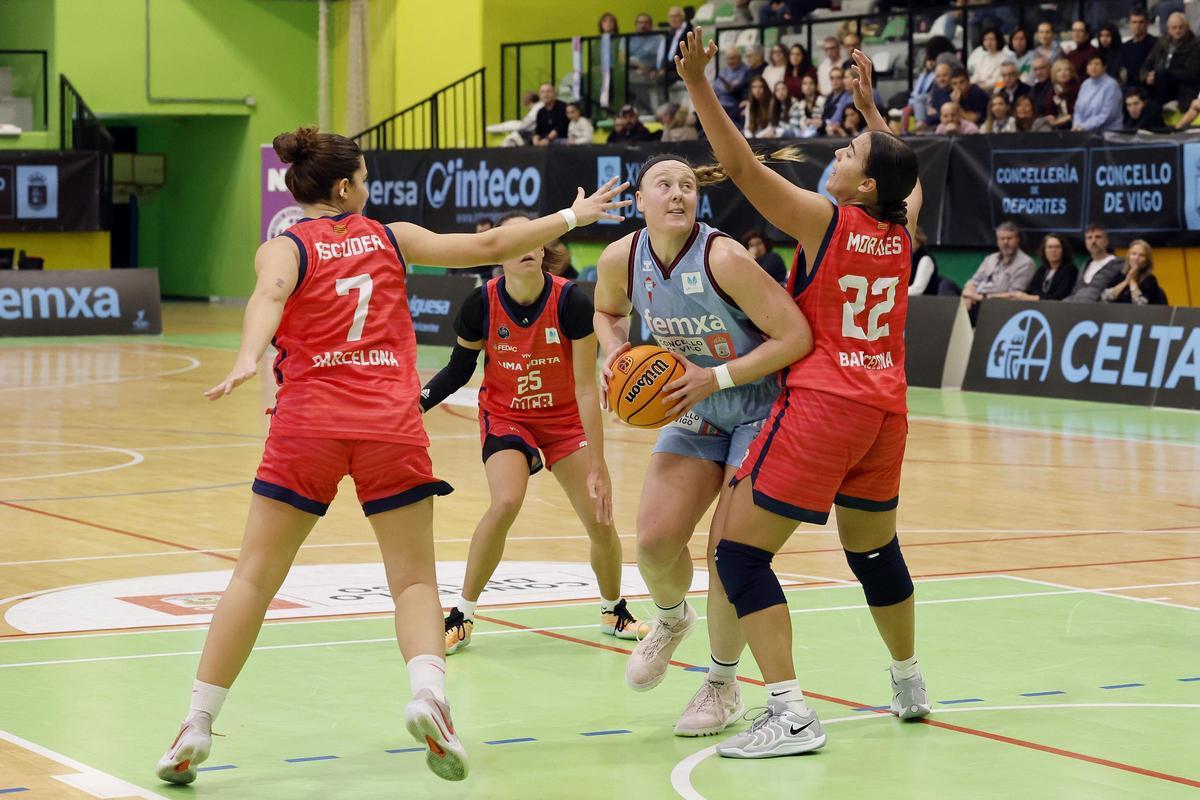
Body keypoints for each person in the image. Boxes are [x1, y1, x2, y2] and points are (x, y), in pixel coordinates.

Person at [153, 127, 629, 786]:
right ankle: (430, 697)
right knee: (412, 581)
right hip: (389, 424)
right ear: (345, 187)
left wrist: (248, 354)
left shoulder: (282, 246)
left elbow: (267, 297)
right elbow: (491, 245)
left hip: (309, 426)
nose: (369, 188)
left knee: (254, 578)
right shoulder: (390, 235)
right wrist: (574, 217)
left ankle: (197, 724)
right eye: (366, 178)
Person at [678, 38, 929, 758]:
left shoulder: (826, 220)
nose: (838, 157)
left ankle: (789, 712)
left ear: (862, 189)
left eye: (850, 154)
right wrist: (878, 119)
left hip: (824, 407)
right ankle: (908, 681)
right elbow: (911, 185)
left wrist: (699, 83)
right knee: (876, 554)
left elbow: (740, 168)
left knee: (736, 555)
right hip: (886, 411)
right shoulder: (902, 232)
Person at [593, 154, 813, 739]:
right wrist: (613, 352)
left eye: (687, 186)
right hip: (691, 409)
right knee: (655, 539)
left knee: (727, 554)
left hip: (756, 410)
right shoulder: (622, 258)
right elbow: (606, 311)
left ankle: (721, 683)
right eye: (663, 185)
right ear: (640, 200)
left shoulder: (725, 259)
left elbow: (796, 336)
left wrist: (715, 377)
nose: (677, 194)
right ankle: (670, 618)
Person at [423, 213, 644, 657]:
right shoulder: (480, 305)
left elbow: (586, 387)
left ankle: (613, 609)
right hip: (507, 417)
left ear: (544, 249)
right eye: (516, 237)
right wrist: (416, 403)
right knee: (506, 500)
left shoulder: (570, 303)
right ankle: (462, 615)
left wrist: (599, 464)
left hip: (564, 420)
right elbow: (457, 371)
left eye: (535, 237)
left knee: (601, 519)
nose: (527, 245)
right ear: (498, 252)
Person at [962, 222, 1036, 322]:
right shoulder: (990, 259)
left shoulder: (1026, 263)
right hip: (976, 301)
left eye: (1009, 238)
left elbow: (1014, 294)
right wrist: (968, 295)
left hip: (998, 306)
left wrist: (982, 297)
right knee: (947, 286)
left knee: (960, 313)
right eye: (1002, 239)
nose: (1005, 242)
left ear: (1017, 240)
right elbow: (974, 281)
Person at [1142, 12, 1200, 108]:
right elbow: (1146, 64)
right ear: (1168, 29)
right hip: (1159, 83)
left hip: (1183, 86)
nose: (1178, 31)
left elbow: (1191, 74)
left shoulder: (1195, 45)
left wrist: (1165, 72)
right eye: (1174, 28)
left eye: (1181, 27)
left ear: (1187, 27)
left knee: (1161, 73)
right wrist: (1146, 76)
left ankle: (1158, 108)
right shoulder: (1161, 43)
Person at [1003, 234, 1078, 302]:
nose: (1053, 250)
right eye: (1049, 247)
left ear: (1063, 250)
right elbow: (1030, 290)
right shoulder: (1042, 270)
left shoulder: (1070, 270)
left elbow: (1060, 296)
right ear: (1044, 251)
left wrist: (1033, 298)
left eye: (1057, 247)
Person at [1065, 223, 1125, 302]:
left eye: (1098, 237)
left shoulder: (1119, 265)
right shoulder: (1085, 265)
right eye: (1089, 238)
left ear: (1106, 241)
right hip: (1075, 307)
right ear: (1086, 242)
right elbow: (1075, 292)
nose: (1093, 241)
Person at [1103, 239, 1168, 305]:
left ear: (1146, 260)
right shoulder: (1120, 275)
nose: (1136, 258)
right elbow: (1105, 298)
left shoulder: (1150, 279)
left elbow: (1140, 304)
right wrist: (1126, 281)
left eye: (1141, 255)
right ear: (1128, 257)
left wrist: (1132, 280)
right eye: (1133, 254)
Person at [1073, 54, 1124, 131]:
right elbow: (1078, 110)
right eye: (1090, 64)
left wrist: (1085, 126)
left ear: (1104, 67)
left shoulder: (1111, 85)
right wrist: (1077, 125)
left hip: (1108, 132)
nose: (1093, 67)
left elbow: (1108, 115)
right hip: (1084, 131)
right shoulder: (1085, 84)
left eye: (1097, 64)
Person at [629, 13, 664, 114]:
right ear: (636, 24)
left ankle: (651, 111)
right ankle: (642, 110)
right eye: (640, 22)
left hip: (653, 71)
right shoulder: (629, 38)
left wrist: (651, 69)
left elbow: (661, 58)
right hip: (634, 70)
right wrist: (640, 67)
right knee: (634, 78)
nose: (643, 25)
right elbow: (623, 59)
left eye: (646, 22)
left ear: (651, 25)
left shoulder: (658, 39)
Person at [1117, 7, 1157, 88]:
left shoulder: (1156, 44)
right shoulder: (1125, 47)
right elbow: (1122, 71)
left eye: (1141, 22)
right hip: (1129, 88)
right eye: (1134, 22)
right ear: (1129, 24)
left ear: (1147, 24)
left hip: (1149, 88)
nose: (1137, 26)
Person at [715, 46, 752, 123]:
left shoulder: (747, 71)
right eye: (728, 59)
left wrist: (730, 88)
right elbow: (716, 87)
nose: (730, 61)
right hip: (720, 103)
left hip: (736, 104)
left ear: (739, 58)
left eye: (732, 58)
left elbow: (742, 89)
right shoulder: (724, 71)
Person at [1043, 58, 1079, 129]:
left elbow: (1077, 112)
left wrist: (1060, 120)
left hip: (1074, 122)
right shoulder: (1052, 92)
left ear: (1071, 73)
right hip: (1057, 123)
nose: (1063, 73)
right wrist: (1051, 117)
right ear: (1054, 74)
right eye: (1059, 71)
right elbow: (1049, 110)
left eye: (1066, 70)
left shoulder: (1077, 89)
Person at [909, 227, 939, 296]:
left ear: (918, 240)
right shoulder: (907, 257)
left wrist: (897, 294)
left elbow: (918, 289)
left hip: (924, 304)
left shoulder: (925, 259)